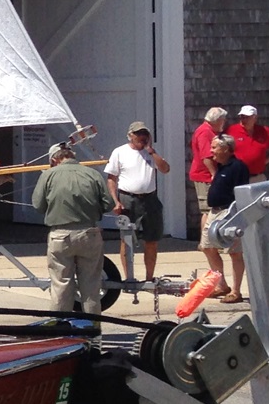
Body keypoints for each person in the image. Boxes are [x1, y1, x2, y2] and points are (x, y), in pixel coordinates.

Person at [32, 143, 114, 315]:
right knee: (91, 286)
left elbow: (38, 205)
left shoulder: (48, 175)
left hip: (60, 235)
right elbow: (109, 204)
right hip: (89, 234)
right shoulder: (92, 173)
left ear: (54, 160)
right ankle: (93, 331)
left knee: (61, 285)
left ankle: (61, 329)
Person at [105, 122, 170, 281]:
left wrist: (151, 151)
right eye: (138, 134)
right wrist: (116, 201)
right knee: (127, 240)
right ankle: (129, 278)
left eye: (144, 134)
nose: (142, 137)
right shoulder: (120, 152)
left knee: (152, 240)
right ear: (130, 135)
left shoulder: (151, 154)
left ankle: (149, 278)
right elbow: (112, 178)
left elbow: (165, 169)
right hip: (128, 199)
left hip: (149, 199)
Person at [200, 134, 249, 303]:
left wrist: (236, 216)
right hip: (213, 212)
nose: (211, 151)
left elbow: (241, 193)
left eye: (214, 147)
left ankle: (236, 291)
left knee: (234, 252)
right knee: (207, 247)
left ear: (226, 149)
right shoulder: (220, 166)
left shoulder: (238, 167)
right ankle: (222, 285)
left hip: (229, 213)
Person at [189, 107, 228, 233]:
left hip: (209, 175)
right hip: (205, 176)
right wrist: (214, 174)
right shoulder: (205, 132)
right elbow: (206, 156)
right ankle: (206, 242)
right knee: (208, 210)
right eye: (223, 120)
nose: (224, 122)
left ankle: (212, 240)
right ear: (218, 120)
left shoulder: (210, 131)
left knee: (215, 208)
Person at [227, 105, 269, 183]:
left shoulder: (265, 131)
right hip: (237, 177)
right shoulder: (231, 131)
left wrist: (268, 159)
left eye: (247, 117)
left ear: (255, 118)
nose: (243, 120)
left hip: (258, 177)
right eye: (242, 117)